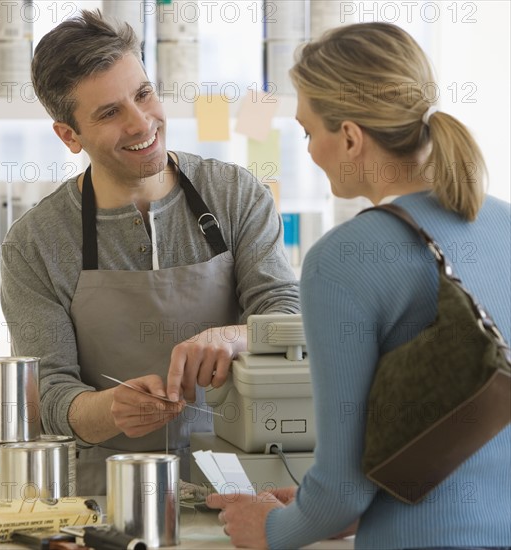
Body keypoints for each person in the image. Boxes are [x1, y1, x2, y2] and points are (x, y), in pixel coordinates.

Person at [206, 22, 511, 550]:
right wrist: (320, 511)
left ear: (349, 136)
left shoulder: (340, 260)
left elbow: (342, 489)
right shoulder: (502, 224)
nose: (308, 150)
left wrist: (273, 527)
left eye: (307, 132)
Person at [0, 9, 300, 495]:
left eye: (143, 95)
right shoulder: (35, 243)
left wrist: (234, 336)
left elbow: (286, 314)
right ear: (69, 135)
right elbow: (50, 397)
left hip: (240, 487)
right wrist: (110, 409)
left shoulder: (236, 195)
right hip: (108, 503)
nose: (143, 123)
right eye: (109, 113)